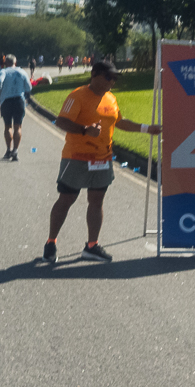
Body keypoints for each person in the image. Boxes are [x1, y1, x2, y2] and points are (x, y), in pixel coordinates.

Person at [41, 59, 162, 264]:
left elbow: (120, 122)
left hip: (102, 158)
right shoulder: (77, 96)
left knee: (96, 202)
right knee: (66, 199)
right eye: (108, 77)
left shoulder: (111, 99)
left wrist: (146, 128)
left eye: (114, 78)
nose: (112, 81)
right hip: (76, 157)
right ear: (94, 74)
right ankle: (50, 242)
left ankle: (91, 246)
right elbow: (61, 120)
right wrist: (84, 130)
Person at [0, 55, 34, 161]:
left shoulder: (4, 72)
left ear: (5, 63)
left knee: (7, 126)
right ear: (15, 62)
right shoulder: (22, 72)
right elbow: (28, 87)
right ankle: (15, 150)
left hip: (6, 101)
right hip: (19, 101)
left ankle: (8, 149)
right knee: (18, 126)